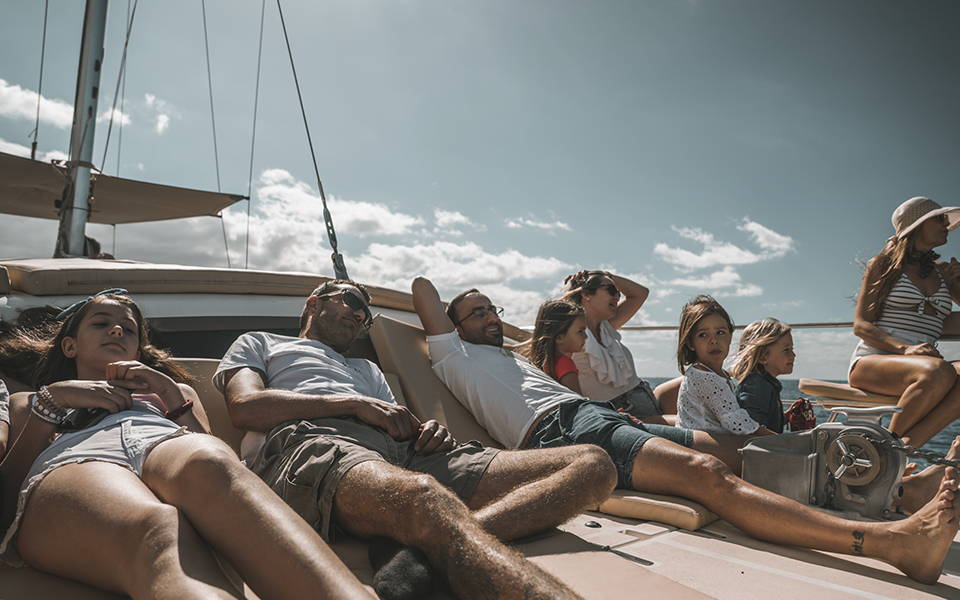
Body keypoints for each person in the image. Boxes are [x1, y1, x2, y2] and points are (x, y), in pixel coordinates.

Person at [412, 275, 960, 585]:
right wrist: (455, 320)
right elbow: (421, 290)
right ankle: (890, 544)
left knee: (757, 448)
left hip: (599, 417)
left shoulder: (513, 357)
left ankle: (899, 491)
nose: (491, 315)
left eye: (492, 308)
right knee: (706, 473)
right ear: (453, 327)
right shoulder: (452, 355)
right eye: (477, 312)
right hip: (561, 432)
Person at [215, 280, 617, 600]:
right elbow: (245, 408)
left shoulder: (366, 367)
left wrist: (428, 429)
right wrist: (353, 404)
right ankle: (431, 530)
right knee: (424, 496)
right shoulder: (262, 342)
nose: (359, 314)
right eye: (351, 301)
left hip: (401, 453)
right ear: (313, 303)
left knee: (593, 465)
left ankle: (421, 548)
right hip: (319, 440)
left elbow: (396, 420)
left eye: (365, 314)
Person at [0, 289, 373, 600]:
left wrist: (169, 393)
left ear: (137, 351)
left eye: (128, 330)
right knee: (159, 528)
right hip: (77, 459)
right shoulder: (31, 402)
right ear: (69, 346)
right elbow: (6, 500)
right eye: (101, 323)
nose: (116, 330)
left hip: (163, 439)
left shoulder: (175, 394)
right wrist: (54, 401)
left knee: (211, 465)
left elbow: (218, 456)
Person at [850, 196, 960, 448]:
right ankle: (885, 449)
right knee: (939, 371)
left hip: (926, 365)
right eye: (939, 218)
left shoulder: (945, 272)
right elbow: (861, 325)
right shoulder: (884, 266)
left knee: (943, 371)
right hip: (872, 361)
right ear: (917, 225)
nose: (946, 224)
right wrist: (906, 349)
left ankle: (897, 450)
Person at [562, 271, 669, 419]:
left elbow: (641, 293)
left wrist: (605, 274)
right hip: (623, 415)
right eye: (611, 290)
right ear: (586, 295)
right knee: (692, 429)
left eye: (618, 293)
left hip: (646, 398)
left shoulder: (606, 327)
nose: (617, 297)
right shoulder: (567, 333)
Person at [674, 296, 773, 437]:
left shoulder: (721, 374)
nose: (714, 340)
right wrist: (778, 439)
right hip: (698, 444)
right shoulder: (703, 376)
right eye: (703, 334)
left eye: (720, 332)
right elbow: (735, 421)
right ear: (691, 343)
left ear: (730, 336)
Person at [730, 318, 795, 434]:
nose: (793, 355)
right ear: (763, 357)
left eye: (792, 349)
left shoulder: (763, 384)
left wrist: (786, 417)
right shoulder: (756, 387)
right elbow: (755, 431)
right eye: (786, 350)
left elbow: (766, 423)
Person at [515, 299, 588, 394]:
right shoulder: (564, 364)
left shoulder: (543, 364)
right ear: (559, 338)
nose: (586, 336)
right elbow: (578, 401)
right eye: (580, 331)